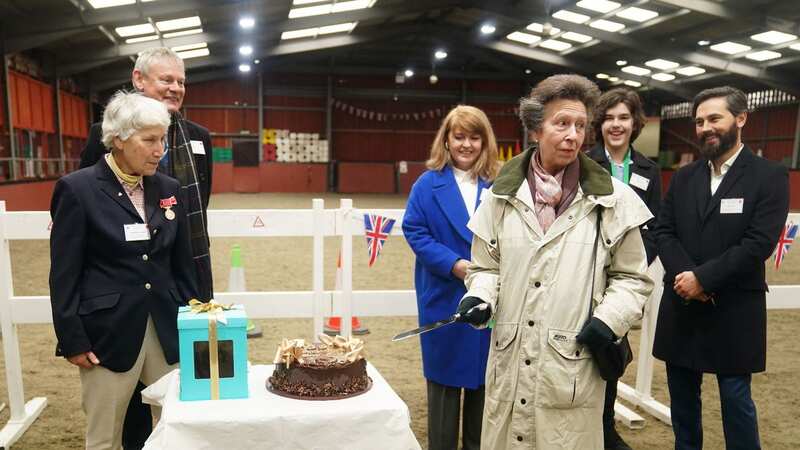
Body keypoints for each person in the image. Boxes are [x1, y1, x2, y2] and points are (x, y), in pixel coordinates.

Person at [457, 74, 654, 449]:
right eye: (562, 123)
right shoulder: (499, 196)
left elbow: (633, 279)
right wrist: (480, 296)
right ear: (535, 129)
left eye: (580, 125)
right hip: (510, 362)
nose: (573, 135)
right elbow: (485, 266)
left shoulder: (614, 199)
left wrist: (607, 319)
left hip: (571, 366)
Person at [79, 47, 213, 448]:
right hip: (124, 289)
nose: (175, 88)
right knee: (128, 398)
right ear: (139, 80)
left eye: (181, 81)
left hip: (181, 277)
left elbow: (199, 210)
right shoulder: (100, 136)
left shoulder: (199, 139)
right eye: (165, 79)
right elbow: (92, 206)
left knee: (179, 387)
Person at [49, 91, 198, 450]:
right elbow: (64, 273)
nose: (159, 148)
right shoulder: (77, 189)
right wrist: (73, 339)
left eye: (162, 138)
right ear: (118, 138)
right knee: (104, 436)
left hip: (166, 328)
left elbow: (183, 264)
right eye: (149, 140)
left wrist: (195, 318)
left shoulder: (170, 188)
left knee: (177, 426)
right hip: (106, 334)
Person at [652, 86, 789, 450]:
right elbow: (664, 231)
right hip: (682, 305)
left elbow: (758, 243)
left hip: (733, 310)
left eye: (715, 118)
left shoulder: (769, 176)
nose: (705, 128)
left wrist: (704, 279)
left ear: (740, 119)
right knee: (682, 403)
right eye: (699, 122)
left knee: (736, 401)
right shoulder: (683, 177)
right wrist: (687, 278)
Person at [402, 105, 500, 450]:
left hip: (491, 299)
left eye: (475, 137)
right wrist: (453, 264)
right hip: (444, 295)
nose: (467, 145)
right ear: (446, 139)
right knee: (443, 390)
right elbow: (414, 230)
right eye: (459, 137)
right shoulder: (427, 184)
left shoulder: (500, 183)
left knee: (483, 387)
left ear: (485, 142)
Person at [587, 88, 661, 450]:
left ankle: (605, 427)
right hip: (589, 273)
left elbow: (657, 226)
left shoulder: (649, 170)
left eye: (624, 118)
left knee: (614, 351)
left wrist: (637, 264)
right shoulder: (584, 164)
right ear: (600, 124)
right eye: (610, 118)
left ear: (635, 124)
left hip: (627, 279)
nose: (616, 125)